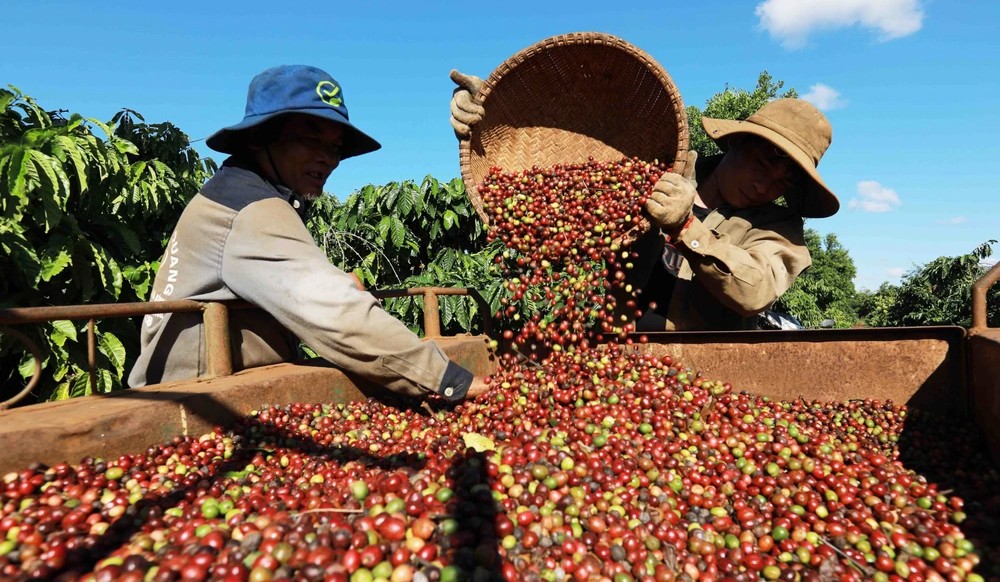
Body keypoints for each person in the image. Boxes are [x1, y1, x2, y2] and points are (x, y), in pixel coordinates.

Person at [129, 65, 486, 401]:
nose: (327, 159)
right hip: (197, 402)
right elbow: (335, 313)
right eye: (309, 140)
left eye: (334, 148)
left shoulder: (240, 193)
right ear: (258, 139)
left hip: (215, 389)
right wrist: (448, 379)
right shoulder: (249, 208)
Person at [449, 71, 839, 331]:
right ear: (738, 141)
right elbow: (569, 172)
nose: (766, 184)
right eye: (763, 162)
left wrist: (687, 226)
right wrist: (497, 115)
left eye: (784, 179)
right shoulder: (662, 165)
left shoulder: (781, 231)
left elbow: (755, 292)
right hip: (615, 345)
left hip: (707, 370)